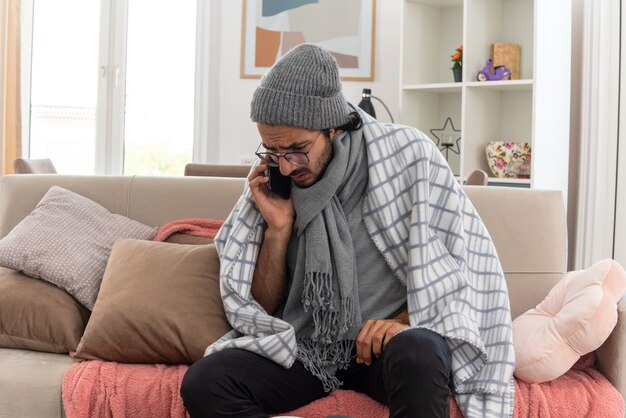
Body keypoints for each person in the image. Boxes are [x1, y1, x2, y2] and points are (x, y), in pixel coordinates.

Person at [180, 44, 515, 418]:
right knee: (205, 382)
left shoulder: (406, 156)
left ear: (334, 127)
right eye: (273, 151)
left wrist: (401, 322)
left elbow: (452, 266)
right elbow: (260, 306)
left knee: (420, 350)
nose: (287, 167)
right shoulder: (273, 181)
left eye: (298, 149)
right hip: (304, 348)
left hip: (380, 352)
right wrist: (278, 229)